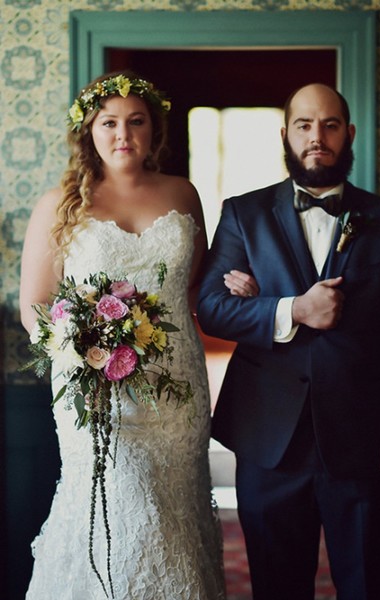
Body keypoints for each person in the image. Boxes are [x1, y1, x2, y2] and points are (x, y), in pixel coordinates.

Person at [196, 83, 380, 600]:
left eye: (329, 125)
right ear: (285, 134)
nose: (316, 137)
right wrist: (289, 309)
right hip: (268, 440)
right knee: (277, 588)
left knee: (368, 585)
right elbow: (211, 307)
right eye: (304, 125)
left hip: (365, 437)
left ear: (348, 135)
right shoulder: (244, 214)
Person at [20, 70, 243, 600]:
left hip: (178, 387)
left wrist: (239, 288)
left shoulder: (183, 194)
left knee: (174, 510)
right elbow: (34, 307)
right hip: (95, 389)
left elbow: (196, 294)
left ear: (154, 130)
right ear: (89, 132)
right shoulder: (61, 203)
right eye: (110, 122)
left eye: (136, 122)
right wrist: (78, 348)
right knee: (122, 501)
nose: (124, 134)